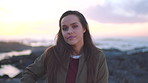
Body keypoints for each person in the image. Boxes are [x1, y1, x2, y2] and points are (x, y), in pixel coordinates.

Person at [20, 10, 109, 83]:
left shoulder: (97, 56)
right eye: (65, 28)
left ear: (84, 28)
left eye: (74, 26)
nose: (69, 31)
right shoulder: (52, 53)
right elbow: (29, 73)